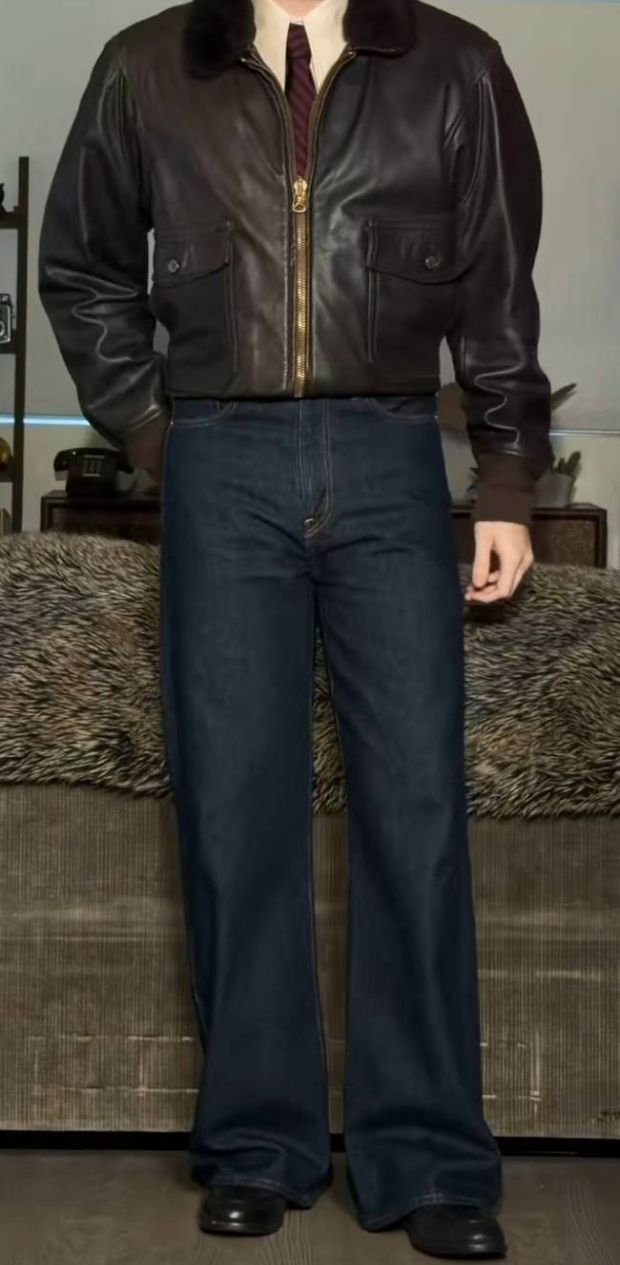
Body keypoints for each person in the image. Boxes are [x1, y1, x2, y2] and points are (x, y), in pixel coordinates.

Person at [39, 0, 552, 1256]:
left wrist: (502, 480)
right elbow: (83, 269)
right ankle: (256, 1144)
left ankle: (428, 1156)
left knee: (416, 805)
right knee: (234, 805)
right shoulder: (146, 66)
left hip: (391, 450)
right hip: (220, 459)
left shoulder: (455, 65)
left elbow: (496, 284)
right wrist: (154, 432)